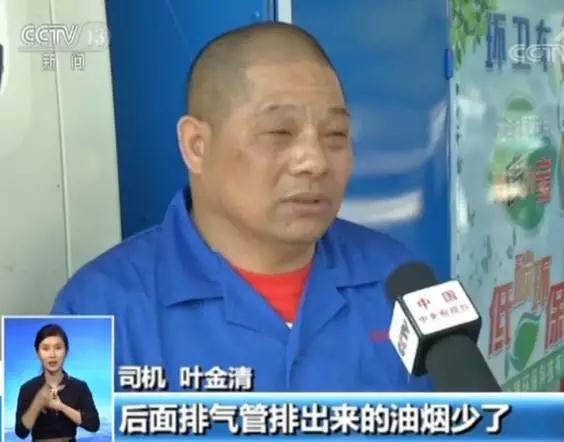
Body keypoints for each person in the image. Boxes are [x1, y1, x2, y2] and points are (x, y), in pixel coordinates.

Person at [51, 22, 432, 391]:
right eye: (279, 133)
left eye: (335, 134)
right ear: (196, 146)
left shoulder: (401, 279)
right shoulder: (91, 309)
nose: (315, 162)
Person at [14, 324, 100, 441]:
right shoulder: (28, 388)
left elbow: (94, 424)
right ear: (37, 353)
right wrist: (37, 403)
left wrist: (61, 407)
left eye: (58, 348)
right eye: (45, 348)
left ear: (66, 351)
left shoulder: (80, 387)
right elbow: (21, 432)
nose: (52, 355)